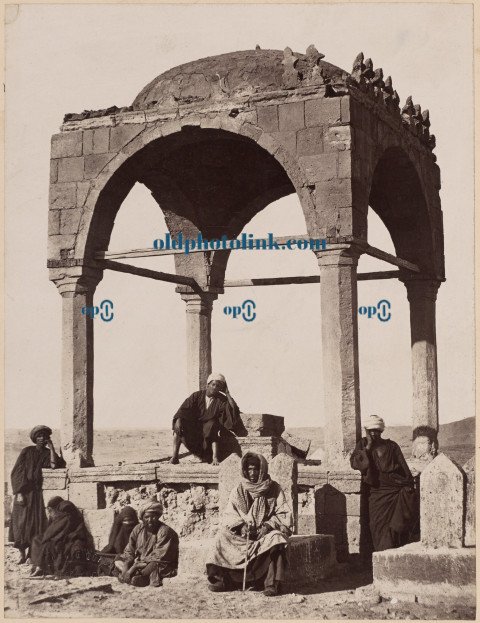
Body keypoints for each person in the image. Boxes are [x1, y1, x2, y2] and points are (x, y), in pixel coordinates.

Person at [206, 452, 292, 597]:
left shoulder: (274, 489)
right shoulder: (238, 490)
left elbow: (283, 514)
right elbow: (229, 513)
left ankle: (271, 584)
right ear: (245, 470)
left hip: (264, 535)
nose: (252, 473)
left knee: (277, 539)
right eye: (249, 469)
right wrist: (240, 525)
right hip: (243, 535)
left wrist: (268, 526)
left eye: (256, 469)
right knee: (221, 537)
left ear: (262, 470)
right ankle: (222, 580)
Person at [350, 415, 417, 552]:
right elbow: (355, 463)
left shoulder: (391, 446)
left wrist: (407, 485)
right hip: (376, 492)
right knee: (377, 525)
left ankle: (391, 555)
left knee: (394, 526)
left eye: (377, 431)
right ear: (367, 430)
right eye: (371, 430)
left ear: (381, 431)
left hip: (394, 490)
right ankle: (380, 556)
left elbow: (404, 469)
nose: (374, 433)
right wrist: (368, 447)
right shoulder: (362, 444)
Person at [9, 425, 66, 563]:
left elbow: (54, 465)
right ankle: (21, 554)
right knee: (20, 523)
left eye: (45, 436)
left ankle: (30, 555)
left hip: (36, 494)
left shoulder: (47, 453)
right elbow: (17, 472)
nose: (42, 438)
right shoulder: (26, 451)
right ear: (35, 438)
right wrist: (19, 492)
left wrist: (51, 448)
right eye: (39, 436)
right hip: (23, 492)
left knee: (35, 524)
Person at [170, 373, 241, 465]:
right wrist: (178, 420)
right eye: (213, 385)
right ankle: (175, 457)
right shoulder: (196, 395)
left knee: (212, 424)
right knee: (178, 424)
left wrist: (227, 393)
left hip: (208, 438)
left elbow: (233, 409)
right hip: (194, 433)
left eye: (218, 386)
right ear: (208, 385)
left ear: (221, 388)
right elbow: (183, 410)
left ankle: (214, 457)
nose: (215, 388)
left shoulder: (221, 399)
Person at [29, 497, 95, 577]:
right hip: (60, 537)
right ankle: (39, 566)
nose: (49, 514)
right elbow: (52, 531)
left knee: (48, 544)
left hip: (69, 538)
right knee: (37, 540)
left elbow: (61, 531)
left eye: (50, 511)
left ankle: (42, 568)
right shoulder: (58, 515)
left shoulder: (66, 515)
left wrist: (49, 538)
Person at [118, 500, 179, 588]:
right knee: (118, 560)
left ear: (158, 516)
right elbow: (129, 550)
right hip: (139, 562)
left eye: (153, 517)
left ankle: (140, 577)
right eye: (146, 517)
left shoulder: (165, 531)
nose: (150, 520)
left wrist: (133, 568)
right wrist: (126, 566)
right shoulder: (138, 528)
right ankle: (135, 576)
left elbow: (158, 556)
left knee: (153, 566)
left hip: (158, 562)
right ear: (142, 518)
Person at [97, 506, 139, 576]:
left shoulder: (139, 531)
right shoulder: (118, 534)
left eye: (131, 521)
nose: (128, 523)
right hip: (118, 558)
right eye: (125, 521)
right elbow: (110, 548)